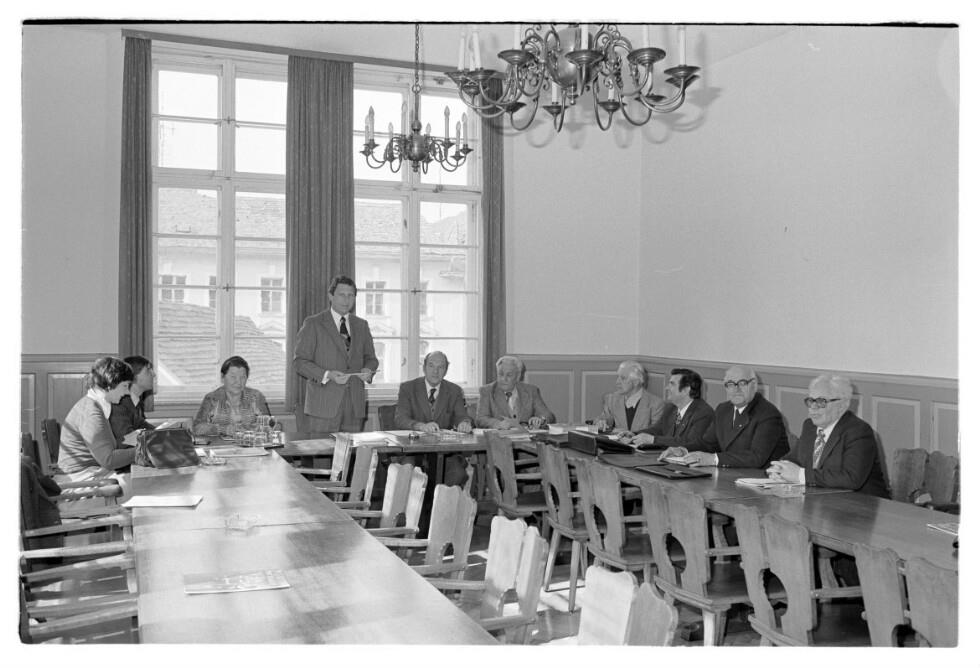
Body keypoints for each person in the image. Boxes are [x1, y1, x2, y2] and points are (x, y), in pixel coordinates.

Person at [767, 374, 888, 496]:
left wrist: (800, 475)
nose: (813, 407)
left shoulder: (858, 431)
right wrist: (779, 469)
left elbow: (851, 479)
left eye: (821, 402)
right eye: (811, 401)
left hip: (860, 503)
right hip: (819, 499)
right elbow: (794, 459)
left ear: (842, 406)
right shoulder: (809, 426)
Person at [294, 275, 379, 432]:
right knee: (322, 448)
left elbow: (371, 359)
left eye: (351, 295)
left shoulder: (361, 325)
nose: (346, 300)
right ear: (330, 296)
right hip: (323, 405)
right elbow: (299, 362)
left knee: (351, 449)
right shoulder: (313, 323)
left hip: (354, 405)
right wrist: (327, 375)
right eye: (341, 294)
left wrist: (368, 369)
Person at [660, 365, 788, 468]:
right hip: (729, 476)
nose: (736, 389)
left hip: (760, 481)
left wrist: (713, 459)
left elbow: (756, 457)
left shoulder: (768, 414)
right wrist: (683, 450)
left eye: (742, 383)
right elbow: (708, 444)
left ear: (754, 386)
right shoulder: (723, 409)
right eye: (731, 384)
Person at [394, 350, 472, 486]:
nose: (435, 371)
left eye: (440, 367)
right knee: (407, 472)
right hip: (412, 451)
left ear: (446, 370)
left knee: (458, 474)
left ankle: (439, 500)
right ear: (424, 368)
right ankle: (417, 501)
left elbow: (462, 416)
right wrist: (421, 426)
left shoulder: (455, 390)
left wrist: (464, 423)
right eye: (431, 366)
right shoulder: (408, 388)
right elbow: (400, 419)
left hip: (444, 452)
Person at [57, 356, 136, 484]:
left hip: (93, 475)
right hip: (80, 483)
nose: (127, 392)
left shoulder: (96, 405)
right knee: (145, 485)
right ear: (110, 384)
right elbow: (109, 460)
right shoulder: (91, 412)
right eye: (125, 386)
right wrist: (145, 450)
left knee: (144, 480)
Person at [628, 368, 715, 449]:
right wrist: (634, 434)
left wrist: (653, 440)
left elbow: (690, 442)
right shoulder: (671, 408)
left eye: (672, 384)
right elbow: (658, 429)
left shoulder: (703, 413)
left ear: (686, 390)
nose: (666, 388)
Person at [192, 356, 271, 437]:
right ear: (222, 377)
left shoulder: (256, 397)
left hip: (249, 443)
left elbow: (268, 425)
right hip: (219, 444)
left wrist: (248, 429)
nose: (238, 382)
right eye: (233, 377)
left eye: (242, 377)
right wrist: (223, 429)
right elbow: (197, 428)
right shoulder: (212, 398)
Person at [475, 355, 555, 429]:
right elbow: (481, 419)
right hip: (500, 438)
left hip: (526, 437)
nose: (504, 379)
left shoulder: (531, 391)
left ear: (518, 376)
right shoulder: (487, 391)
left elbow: (548, 415)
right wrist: (498, 424)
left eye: (509, 375)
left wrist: (540, 419)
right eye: (501, 374)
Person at [593, 360, 665, 433]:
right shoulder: (612, 399)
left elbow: (656, 433)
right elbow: (603, 419)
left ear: (636, 382)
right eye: (618, 377)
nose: (617, 382)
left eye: (623, 378)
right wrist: (601, 422)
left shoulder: (656, 404)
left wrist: (631, 434)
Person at [109, 355, 156, 445]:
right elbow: (126, 442)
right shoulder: (118, 404)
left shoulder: (136, 402)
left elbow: (143, 427)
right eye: (148, 370)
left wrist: (166, 434)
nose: (153, 374)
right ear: (133, 376)